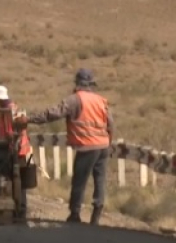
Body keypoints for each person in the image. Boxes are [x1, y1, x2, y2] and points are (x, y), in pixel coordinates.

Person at [15, 68, 113, 225]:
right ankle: (96, 216)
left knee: (79, 181)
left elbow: (52, 114)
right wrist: (108, 141)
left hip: (86, 146)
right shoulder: (101, 100)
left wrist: (29, 119)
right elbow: (110, 124)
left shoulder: (75, 100)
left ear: (78, 83)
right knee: (99, 180)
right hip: (103, 145)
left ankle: (75, 214)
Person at [0, 84, 32, 218]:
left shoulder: (10, 110)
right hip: (12, 148)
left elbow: (15, 130)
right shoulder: (5, 109)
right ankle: (16, 208)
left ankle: (20, 210)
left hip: (17, 150)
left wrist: (11, 142)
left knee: (18, 180)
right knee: (14, 180)